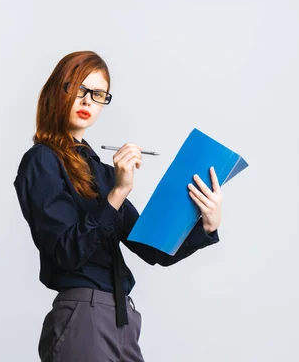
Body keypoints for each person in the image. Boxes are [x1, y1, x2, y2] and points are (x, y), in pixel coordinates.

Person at [13, 51, 223, 362]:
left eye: (98, 94)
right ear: (59, 90)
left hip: (123, 318)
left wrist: (206, 224)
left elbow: (152, 249)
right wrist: (119, 191)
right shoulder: (42, 160)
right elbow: (67, 252)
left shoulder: (103, 172)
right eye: (79, 89)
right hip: (84, 316)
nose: (87, 101)